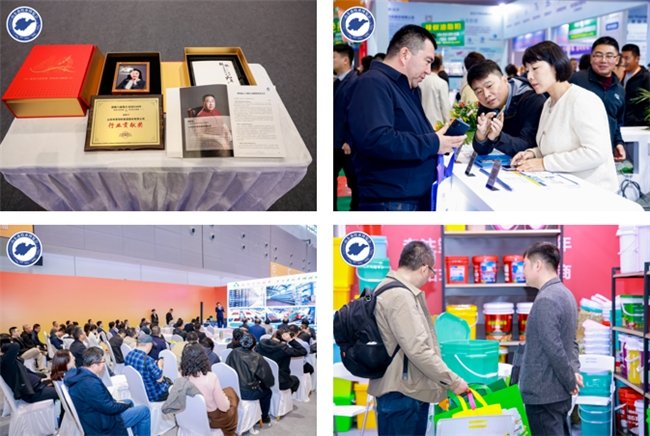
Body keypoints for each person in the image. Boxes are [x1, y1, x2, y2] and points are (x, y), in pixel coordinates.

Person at [346, 25, 465, 211]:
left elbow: (408, 132)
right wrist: (434, 142)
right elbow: (377, 139)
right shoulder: (373, 83)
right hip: (391, 202)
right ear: (405, 54)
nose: (428, 70)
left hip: (411, 199)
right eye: (427, 61)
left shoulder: (408, 88)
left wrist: (437, 139)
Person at [370, 241, 468, 436]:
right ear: (424, 268)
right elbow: (418, 349)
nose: (429, 278)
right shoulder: (401, 296)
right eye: (431, 272)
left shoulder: (383, 288)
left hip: (392, 389)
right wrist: (453, 381)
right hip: (406, 394)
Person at [512, 41, 618, 192]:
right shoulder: (548, 103)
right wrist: (533, 153)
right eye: (527, 70)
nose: (529, 76)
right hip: (564, 188)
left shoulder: (582, 99)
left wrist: (544, 163)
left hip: (593, 193)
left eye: (535, 68)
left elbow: (596, 153)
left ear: (555, 65)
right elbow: (558, 146)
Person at [519, 242, 582, 436]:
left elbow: (554, 348)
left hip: (544, 396)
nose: (523, 271)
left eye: (525, 265)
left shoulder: (546, 299)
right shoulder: (566, 294)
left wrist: (570, 380)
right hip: (556, 394)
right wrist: (573, 372)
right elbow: (571, 341)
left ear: (537, 265)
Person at [65, 347, 151, 436]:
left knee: (129, 401)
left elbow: (103, 403)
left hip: (94, 415)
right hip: (102, 423)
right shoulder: (90, 384)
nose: (104, 364)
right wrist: (124, 405)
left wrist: (119, 403)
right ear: (94, 365)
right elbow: (109, 408)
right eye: (103, 361)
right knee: (144, 410)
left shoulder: (81, 374)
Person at [469, 60, 546, 157]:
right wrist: (481, 136)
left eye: (489, 86)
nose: (486, 95)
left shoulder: (532, 100)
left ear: (504, 80)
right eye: (479, 91)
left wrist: (498, 137)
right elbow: (482, 151)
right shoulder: (486, 108)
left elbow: (528, 146)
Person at [569, 37, 626, 162]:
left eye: (609, 56)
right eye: (598, 55)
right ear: (591, 58)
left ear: (617, 60)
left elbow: (615, 121)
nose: (603, 60)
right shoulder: (576, 81)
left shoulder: (619, 90)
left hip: (606, 154)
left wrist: (618, 143)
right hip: (576, 154)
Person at [182, 343, 238, 435]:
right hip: (211, 419)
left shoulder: (180, 376)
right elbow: (224, 408)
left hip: (189, 416)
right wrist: (227, 401)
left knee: (229, 391)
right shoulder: (210, 377)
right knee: (232, 397)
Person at [226, 334, 274, 425]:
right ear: (254, 346)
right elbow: (268, 378)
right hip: (247, 392)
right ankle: (264, 417)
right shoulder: (257, 357)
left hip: (232, 389)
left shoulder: (233, 352)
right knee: (267, 392)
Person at [0, 336, 60, 409]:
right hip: (33, 393)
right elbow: (15, 346)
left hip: (37, 387)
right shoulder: (5, 361)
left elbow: (26, 373)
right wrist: (2, 348)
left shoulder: (10, 361)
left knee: (60, 384)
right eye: (10, 343)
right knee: (64, 393)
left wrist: (41, 380)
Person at [334, 43, 359, 211]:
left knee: (355, 183)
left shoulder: (355, 82)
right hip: (335, 143)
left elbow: (356, 113)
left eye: (333, 57)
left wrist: (349, 139)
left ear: (345, 60)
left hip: (346, 146)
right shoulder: (336, 82)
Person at [258, 328, 307, 393]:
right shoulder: (283, 349)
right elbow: (303, 351)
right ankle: (287, 398)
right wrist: (290, 340)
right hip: (280, 381)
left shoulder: (261, 344)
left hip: (262, 378)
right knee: (295, 380)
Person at [125, 335, 170, 402]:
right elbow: (160, 379)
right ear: (147, 345)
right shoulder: (148, 360)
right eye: (151, 346)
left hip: (138, 392)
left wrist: (153, 365)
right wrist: (160, 365)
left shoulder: (128, 355)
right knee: (173, 385)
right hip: (153, 395)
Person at [419, 53, 451, 128]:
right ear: (440, 67)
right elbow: (445, 106)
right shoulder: (441, 83)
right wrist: (449, 123)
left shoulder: (419, 81)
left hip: (421, 124)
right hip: (436, 125)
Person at [621, 43, 650, 126]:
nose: (623, 62)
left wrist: (639, 121)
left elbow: (648, 102)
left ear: (637, 58)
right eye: (622, 58)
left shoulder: (646, 77)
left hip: (637, 125)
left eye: (627, 58)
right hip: (622, 122)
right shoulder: (621, 74)